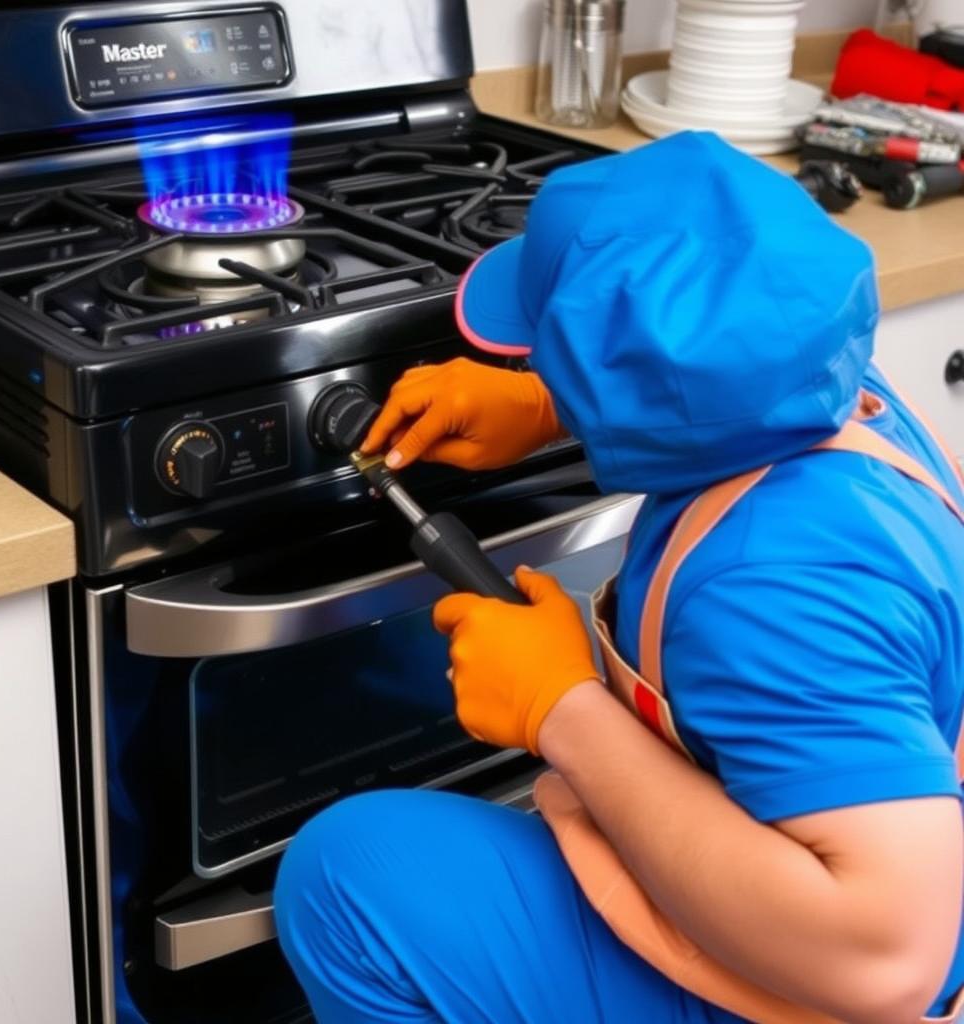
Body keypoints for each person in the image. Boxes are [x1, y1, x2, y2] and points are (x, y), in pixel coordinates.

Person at [273, 132, 964, 1024]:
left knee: (347, 875)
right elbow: (731, 370)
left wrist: (562, 710)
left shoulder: (770, 589)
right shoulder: (831, 369)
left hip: (837, 979)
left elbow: (885, 965)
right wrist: (557, 404)